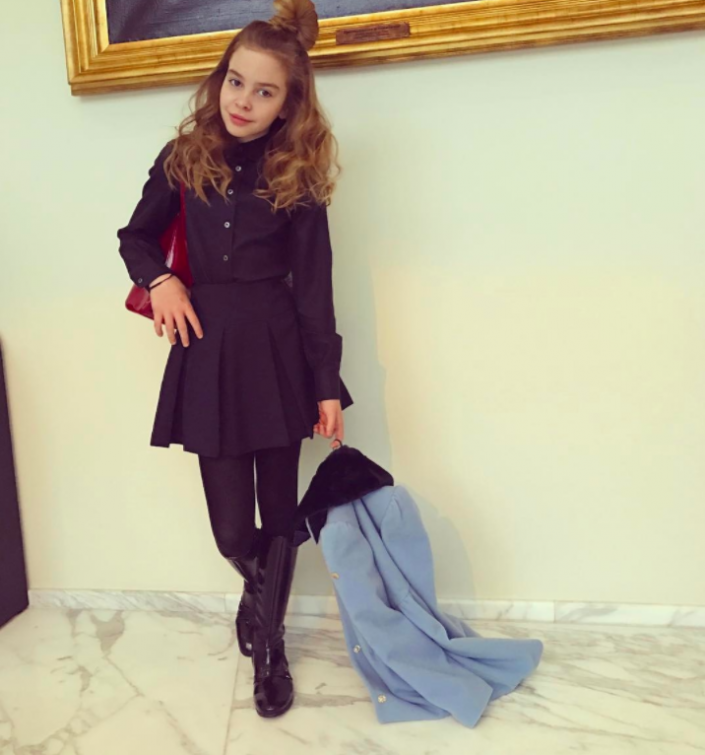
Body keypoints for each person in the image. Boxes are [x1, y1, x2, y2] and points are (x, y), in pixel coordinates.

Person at [116, 0, 354, 719]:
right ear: (220, 78)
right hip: (207, 349)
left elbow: (314, 289)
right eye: (236, 81)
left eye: (264, 90)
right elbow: (135, 236)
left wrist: (326, 384)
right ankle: (260, 594)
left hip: (278, 350)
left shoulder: (297, 173)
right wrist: (162, 281)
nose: (243, 100)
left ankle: (270, 648)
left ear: (289, 103)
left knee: (278, 512)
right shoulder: (183, 157)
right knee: (231, 530)